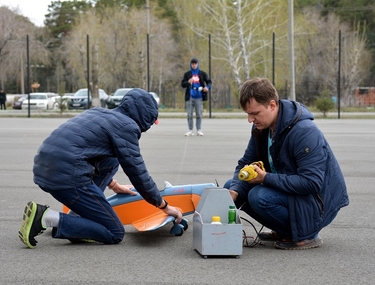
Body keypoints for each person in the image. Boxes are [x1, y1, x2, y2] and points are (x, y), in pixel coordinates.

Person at [18, 88, 183, 248]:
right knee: (114, 232)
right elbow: (137, 171)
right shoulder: (126, 126)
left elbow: (88, 150)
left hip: (46, 168)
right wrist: (164, 206)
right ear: (145, 117)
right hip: (67, 176)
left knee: (114, 158)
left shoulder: (98, 112)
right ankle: (46, 217)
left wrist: (114, 185)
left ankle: (79, 217)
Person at [224, 77, 349, 250]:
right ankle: (284, 229)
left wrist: (265, 178)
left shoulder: (304, 132)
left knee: (258, 196)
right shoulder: (261, 128)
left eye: (255, 113)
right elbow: (246, 162)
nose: (250, 120)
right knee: (230, 186)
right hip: (292, 194)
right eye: (248, 114)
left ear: (272, 105)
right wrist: (234, 191)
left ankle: (306, 234)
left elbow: (311, 183)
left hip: (317, 205)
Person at [181, 58, 212, 136]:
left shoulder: (202, 74)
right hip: (190, 96)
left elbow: (209, 81)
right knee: (189, 114)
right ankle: (190, 130)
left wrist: (207, 88)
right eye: (193, 64)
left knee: (199, 114)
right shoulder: (187, 74)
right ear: (191, 64)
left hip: (199, 96)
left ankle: (199, 129)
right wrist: (188, 82)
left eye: (195, 63)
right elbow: (182, 84)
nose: (194, 65)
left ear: (198, 64)